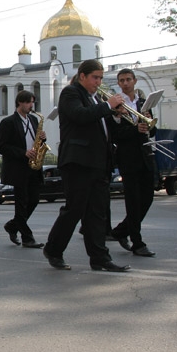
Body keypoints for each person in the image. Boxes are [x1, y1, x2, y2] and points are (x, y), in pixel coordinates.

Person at [40, 60, 131, 272]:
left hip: (99, 162)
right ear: (82, 76)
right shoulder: (71, 93)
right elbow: (80, 116)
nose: (98, 82)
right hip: (78, 162)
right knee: (75, 209)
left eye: (100, 78)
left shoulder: (96, 99)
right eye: (95, 78)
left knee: (97, 213)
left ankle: (100, 258)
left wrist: (117, 116)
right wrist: (108, 107)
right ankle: (53, 250)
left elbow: (103, 129)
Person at [108, 69, 157, 257]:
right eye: (122, 80)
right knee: (133, 202)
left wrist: (148, 125)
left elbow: (152, 131)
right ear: (118, 83)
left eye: (128, 79)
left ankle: (121, 231)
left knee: (147, 199)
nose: (125, 83)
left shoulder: (143, 103)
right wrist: (134, 129)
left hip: (145, 156)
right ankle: (137, 243)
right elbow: (115, 135)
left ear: (135, 81)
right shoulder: (115, 105)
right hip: (128, 158)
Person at [0, 90, 45, 249]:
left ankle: (12, 226)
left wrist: (42, 139)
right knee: (21, 204)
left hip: (33, 167)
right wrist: (23, 152)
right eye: (29, 102)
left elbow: (36, 142)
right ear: (20, 103)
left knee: (34, 200)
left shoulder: (33, 120)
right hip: (18, 168)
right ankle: (27, 238)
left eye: (32, 102)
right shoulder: (8, 122)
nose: (31, 106)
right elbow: (2, 146)